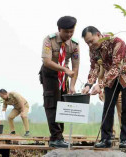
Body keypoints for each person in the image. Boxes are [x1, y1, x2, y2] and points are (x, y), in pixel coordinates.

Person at [82, 26, 126, 148]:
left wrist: (101, 84)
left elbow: (117, 67)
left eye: (91, 41)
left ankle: (124, 139)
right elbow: (94, 67)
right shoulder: (92, 49)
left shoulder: (116, 42)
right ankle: (105, 139)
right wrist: (89, 84)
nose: (90, 45)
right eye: (87, 43)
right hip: (110, 78)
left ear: (98, 34)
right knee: (108, 107)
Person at [39, 16, 80, 148]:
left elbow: (75, 67)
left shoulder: (74, 44)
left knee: (63, 105)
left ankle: (59, 137)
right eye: (66, 32)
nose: (69, 34)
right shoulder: (49, 40)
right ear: (59, 29)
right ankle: (55, 137)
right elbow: (47, 61)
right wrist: (64, 69)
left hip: (64, 76)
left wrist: (72, 85)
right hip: (50, 74)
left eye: (71, 31)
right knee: (52, 104)